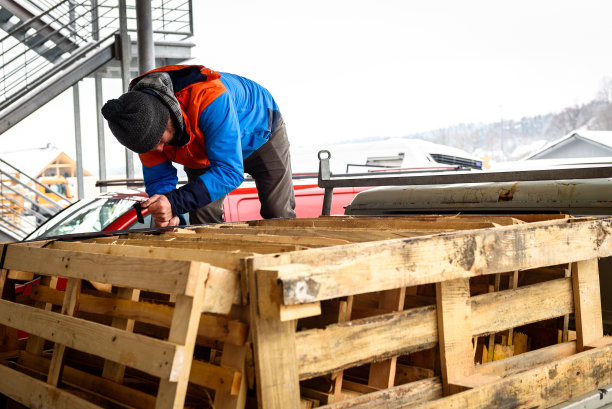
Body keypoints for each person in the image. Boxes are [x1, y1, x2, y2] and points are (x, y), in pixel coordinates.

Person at [101, 64, 296, 227]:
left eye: (160, 141)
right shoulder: (140, 128)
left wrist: (175, 202)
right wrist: (170, 216)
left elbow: (230, 172)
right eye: (151, 147)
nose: (159, 151)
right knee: (202, 217)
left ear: (167, 117)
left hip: (260, 131)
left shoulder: (208, 97)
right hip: (202, 149)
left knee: (277, 211)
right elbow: (160, 184)